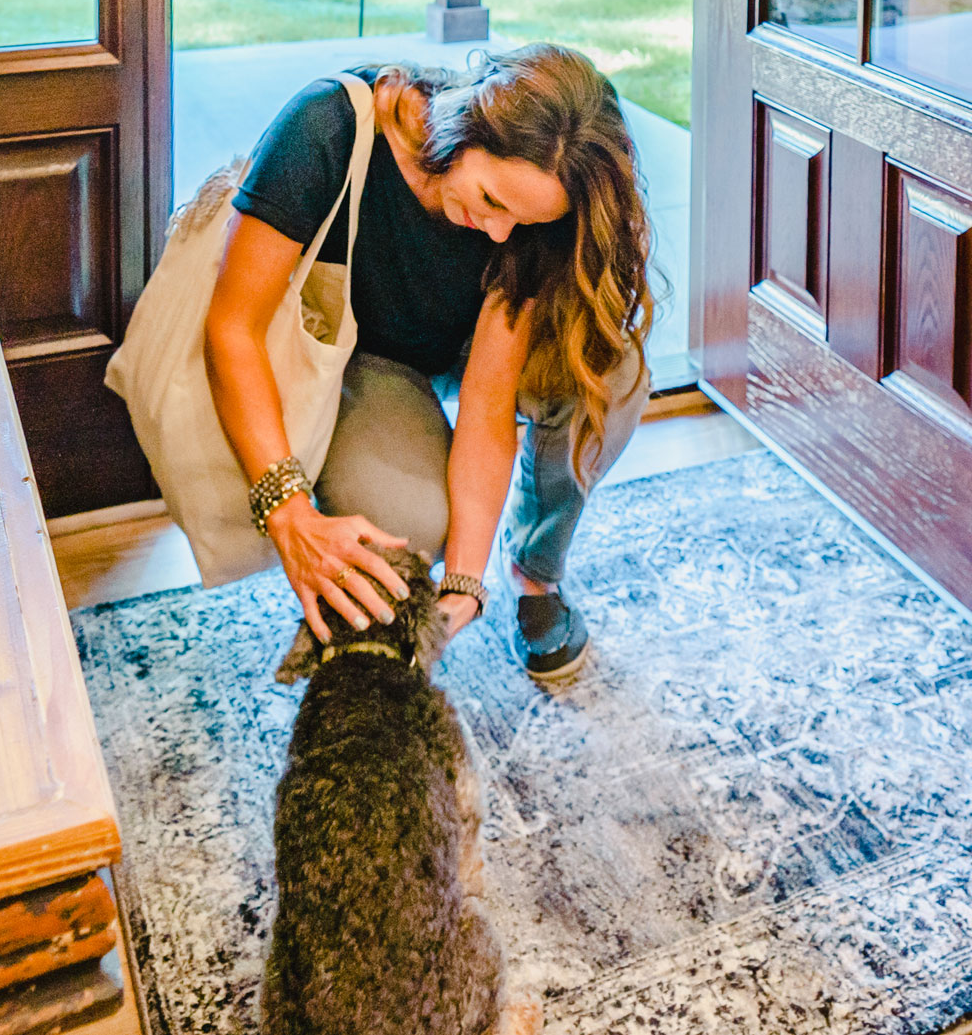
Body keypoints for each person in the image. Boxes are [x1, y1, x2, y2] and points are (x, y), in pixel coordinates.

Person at [203, 43, 652, 682]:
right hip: (361, 357)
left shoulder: (523, 230)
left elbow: (487, 403)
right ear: (463, 125)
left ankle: (533, 571)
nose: (498, 234)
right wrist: (288, 513)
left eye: (522, 222)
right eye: (492, 200)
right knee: (410, 524)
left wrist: (466, 583)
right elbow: (231, 329)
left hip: (461, 350)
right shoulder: (326, 129)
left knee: (611, 373)